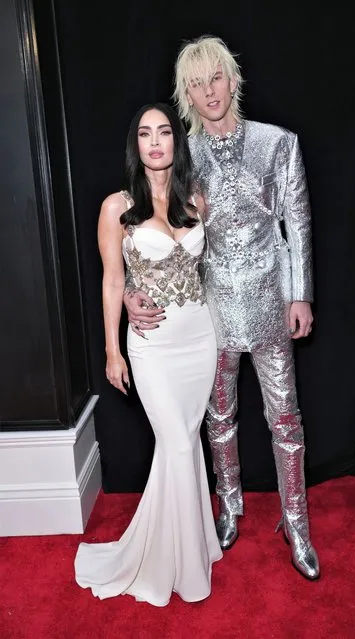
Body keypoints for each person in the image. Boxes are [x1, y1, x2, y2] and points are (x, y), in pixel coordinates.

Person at [125, 36, 320, 581]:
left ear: (233, 79)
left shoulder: (278, 143)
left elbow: (296, 223)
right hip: (207, 311)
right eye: (196, 82)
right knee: (219, 417)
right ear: (186, 93)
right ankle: (228, 507)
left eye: (217, 77)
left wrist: (300, 293)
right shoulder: (182, 151)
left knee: (285, 419)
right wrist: (125, 289)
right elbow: (143, 219)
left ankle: (297, 521)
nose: (209, 90)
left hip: (269, 302)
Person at [74, 103, 222, 606]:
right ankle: (180, 570)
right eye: (144, 133)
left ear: (177, 143)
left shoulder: (197, 198)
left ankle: (189, 545)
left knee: (183, 443)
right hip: (153, 347)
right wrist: (113, 350)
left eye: (164, 132)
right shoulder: (116, 206)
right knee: (178, 445)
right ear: (135, 145)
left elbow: (213, 273)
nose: (155, 141)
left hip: (200, 339)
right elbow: (113, 279)